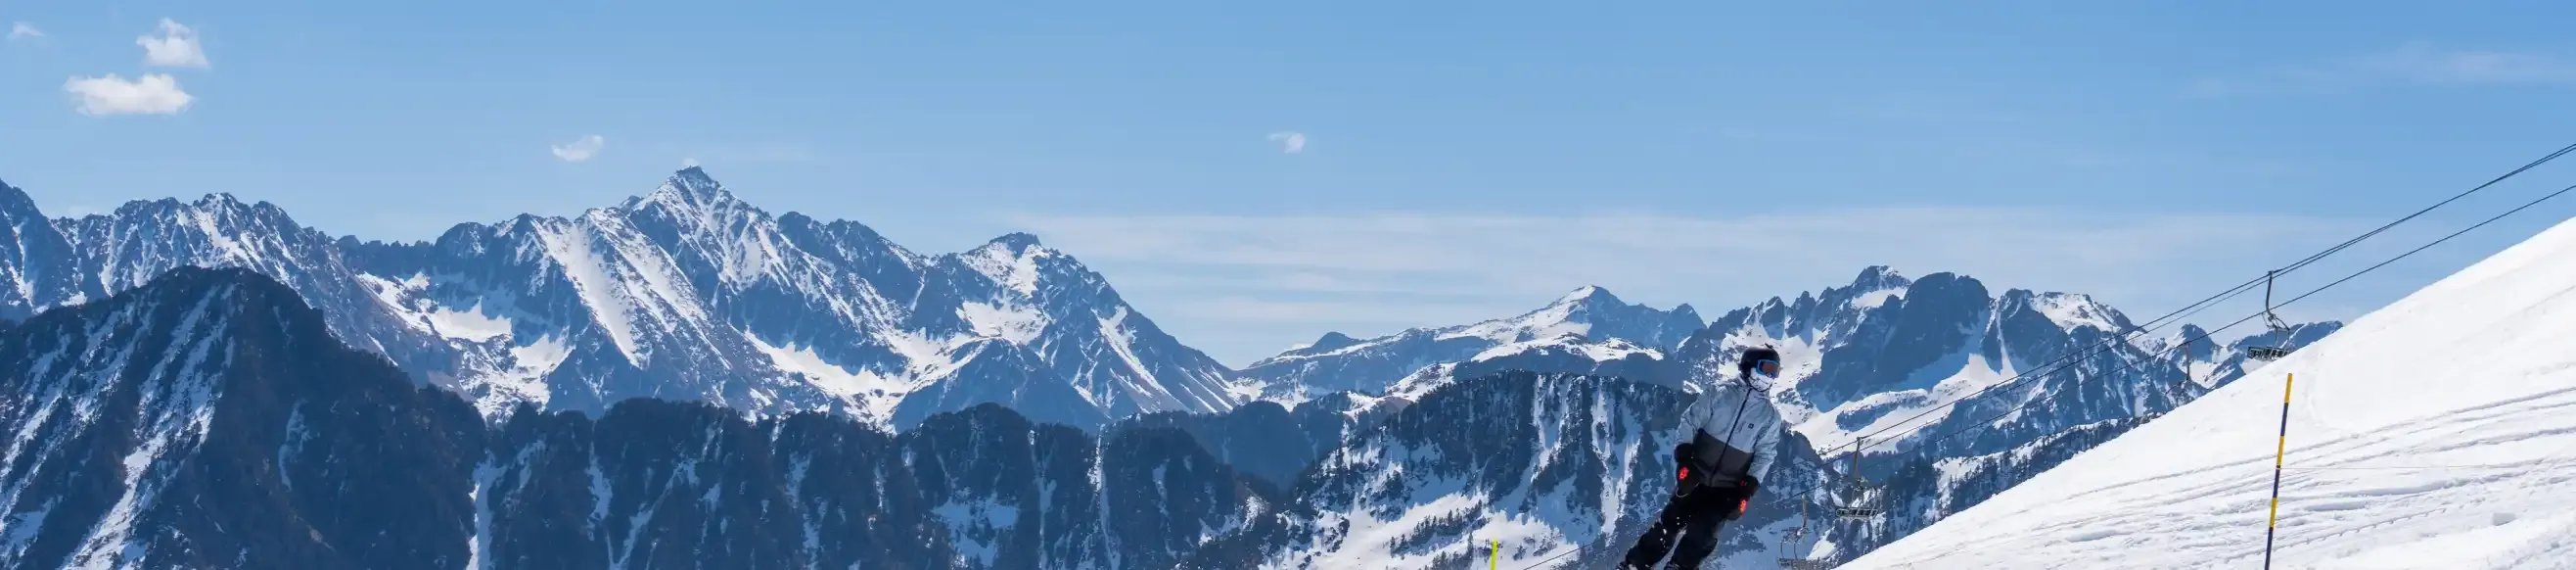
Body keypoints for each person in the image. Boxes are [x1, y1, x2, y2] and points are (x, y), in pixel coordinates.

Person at [1619, 346, 1787, 570]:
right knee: (1669, 525)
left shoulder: (1769, 417)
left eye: (1774, 372)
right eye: (1766, 368)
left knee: (1703, 532)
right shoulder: (1720, 394)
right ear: (1749, 366)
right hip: (1696, 477)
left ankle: (1679, 567)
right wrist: (1684, 461)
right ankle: (1635, 565)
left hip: (1727, 489)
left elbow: (1765, 455)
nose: (1769, 376)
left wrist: (1748, 489)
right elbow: (1689, 423)